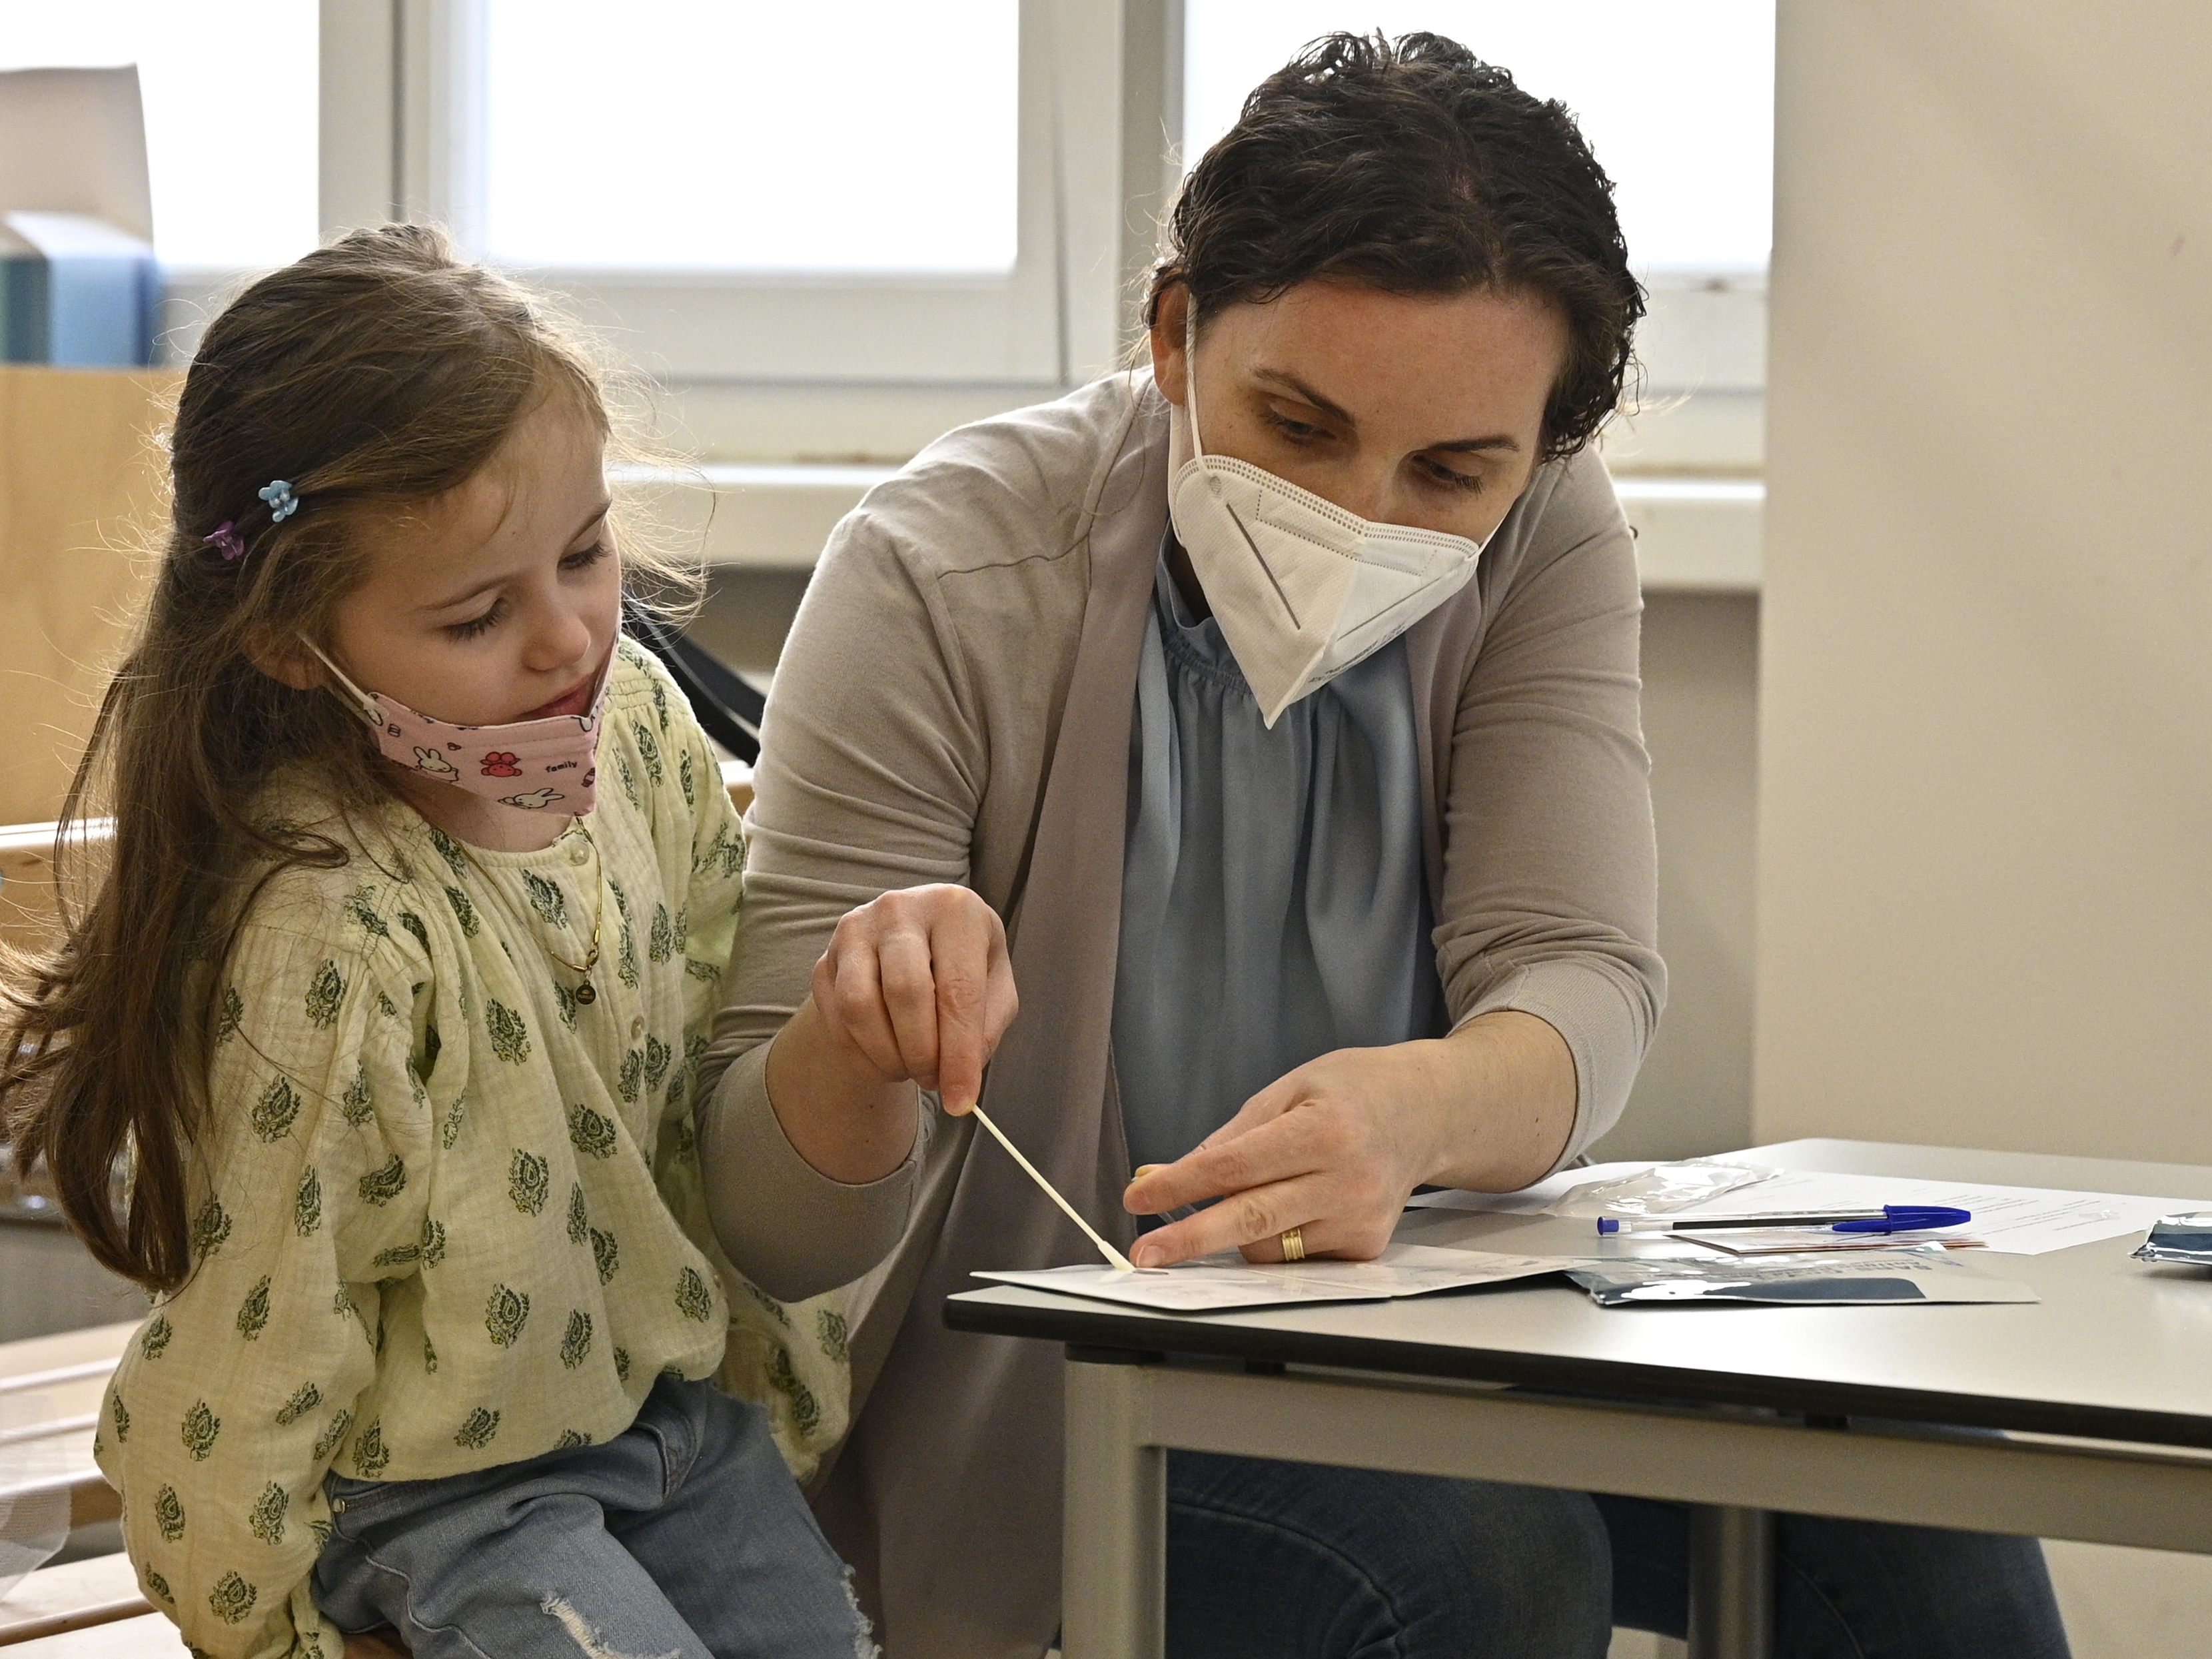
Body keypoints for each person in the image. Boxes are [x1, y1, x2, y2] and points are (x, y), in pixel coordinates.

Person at [694, 32, 2074, 1659]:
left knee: (1909, 1499)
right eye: (1294, 423)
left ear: (1543, 447)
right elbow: (775, 1227)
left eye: (1452, 469)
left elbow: (1581, 978)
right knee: (1478, 1556)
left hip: (1434, 1344)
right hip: (1055, 1404)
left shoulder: (1548, 534)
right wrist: (855, 1051)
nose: (1363, 514)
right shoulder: (942, 571)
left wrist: (1415, 1111)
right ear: (1171, 332)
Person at [0, 228, 875, 1659]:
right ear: (293, 645)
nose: (569, 642)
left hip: (665, 1432)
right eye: (477, 615)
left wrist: (772, 1394)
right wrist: (275, 1637)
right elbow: (257, 1333)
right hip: (429, 1492)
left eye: (588, 553)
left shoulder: (643, 736)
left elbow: (706, 1093)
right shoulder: (333, 939)